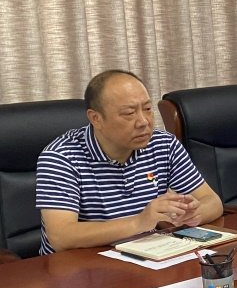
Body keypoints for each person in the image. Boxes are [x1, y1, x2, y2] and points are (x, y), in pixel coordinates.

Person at [36, 69, 223, 254]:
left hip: (147, 256)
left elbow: (213, 203)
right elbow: (61, 237)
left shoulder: (163, 144)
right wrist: (139, 222)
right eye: (129, 113)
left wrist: (190, 214)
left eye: (147, 109)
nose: (143, 122)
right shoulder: (62, 157)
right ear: (96, 119)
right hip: (82, 265)